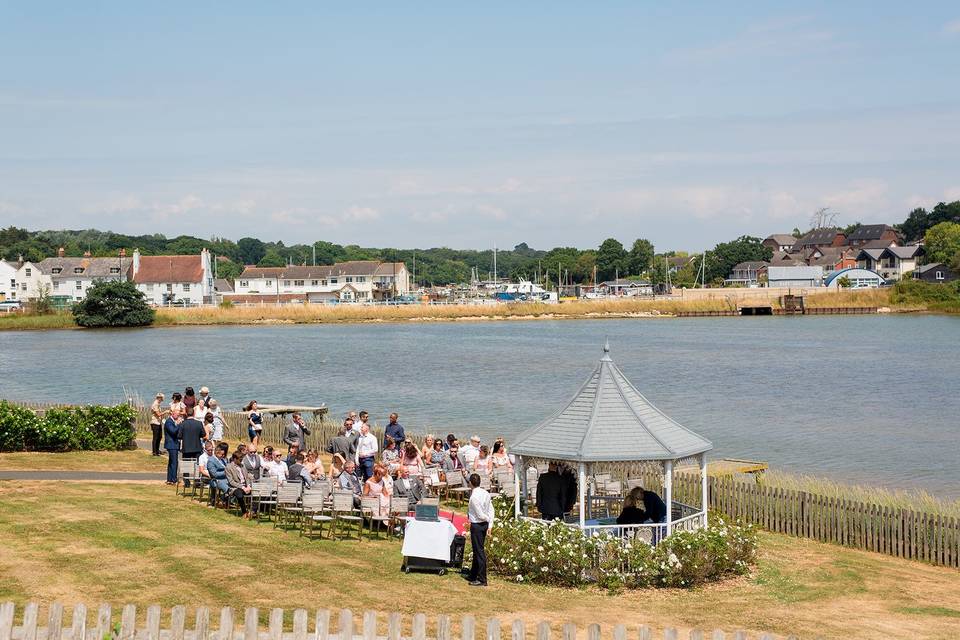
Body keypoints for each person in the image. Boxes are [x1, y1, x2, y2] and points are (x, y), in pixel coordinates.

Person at [466, 473, 494, 587]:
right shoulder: (485, 493)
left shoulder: (474, 497)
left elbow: (480, 514)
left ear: (470, 483)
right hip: (483, 524)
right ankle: (473, 574)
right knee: (477, 549)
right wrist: (490, 524)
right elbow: (491, 510)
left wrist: (487, 520)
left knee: (479, 551)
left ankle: (482, 579)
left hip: (478, 525)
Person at [225, 450, 252, 517]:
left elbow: (247, 477)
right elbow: (231, 482)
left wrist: (248, 485)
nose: (241, 461)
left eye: (242, 459)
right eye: (240, 460)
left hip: (245, 485)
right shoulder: (228, 467)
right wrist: (242, 487)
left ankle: (253, 511)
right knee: (239, 495)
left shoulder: (242, 466)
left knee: (257, 493)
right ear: (234, 459)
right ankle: (244, 512)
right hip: (235, 487)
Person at [206, 443, 229, 507]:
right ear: (217, 453)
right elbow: (214, 474)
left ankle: (227, 501)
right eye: (222, 454)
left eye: (224, 454)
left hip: (226, 478)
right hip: (215, 480)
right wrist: (225, 472)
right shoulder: (211, 461)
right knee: (227, 488)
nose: (223, 456)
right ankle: (225, 500)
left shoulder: (223, 460)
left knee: (235, 486)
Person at [162, 414, 182, 484]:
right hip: (172, 444)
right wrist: (179, 424)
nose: (179, 416)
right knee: (174, 462)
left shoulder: (172, 421)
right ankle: (173, 479)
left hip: (173, 445)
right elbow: (173, 431)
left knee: (171, 462)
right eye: (177, 414)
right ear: (172, 414)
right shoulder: (169, 421)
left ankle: (169, 479)